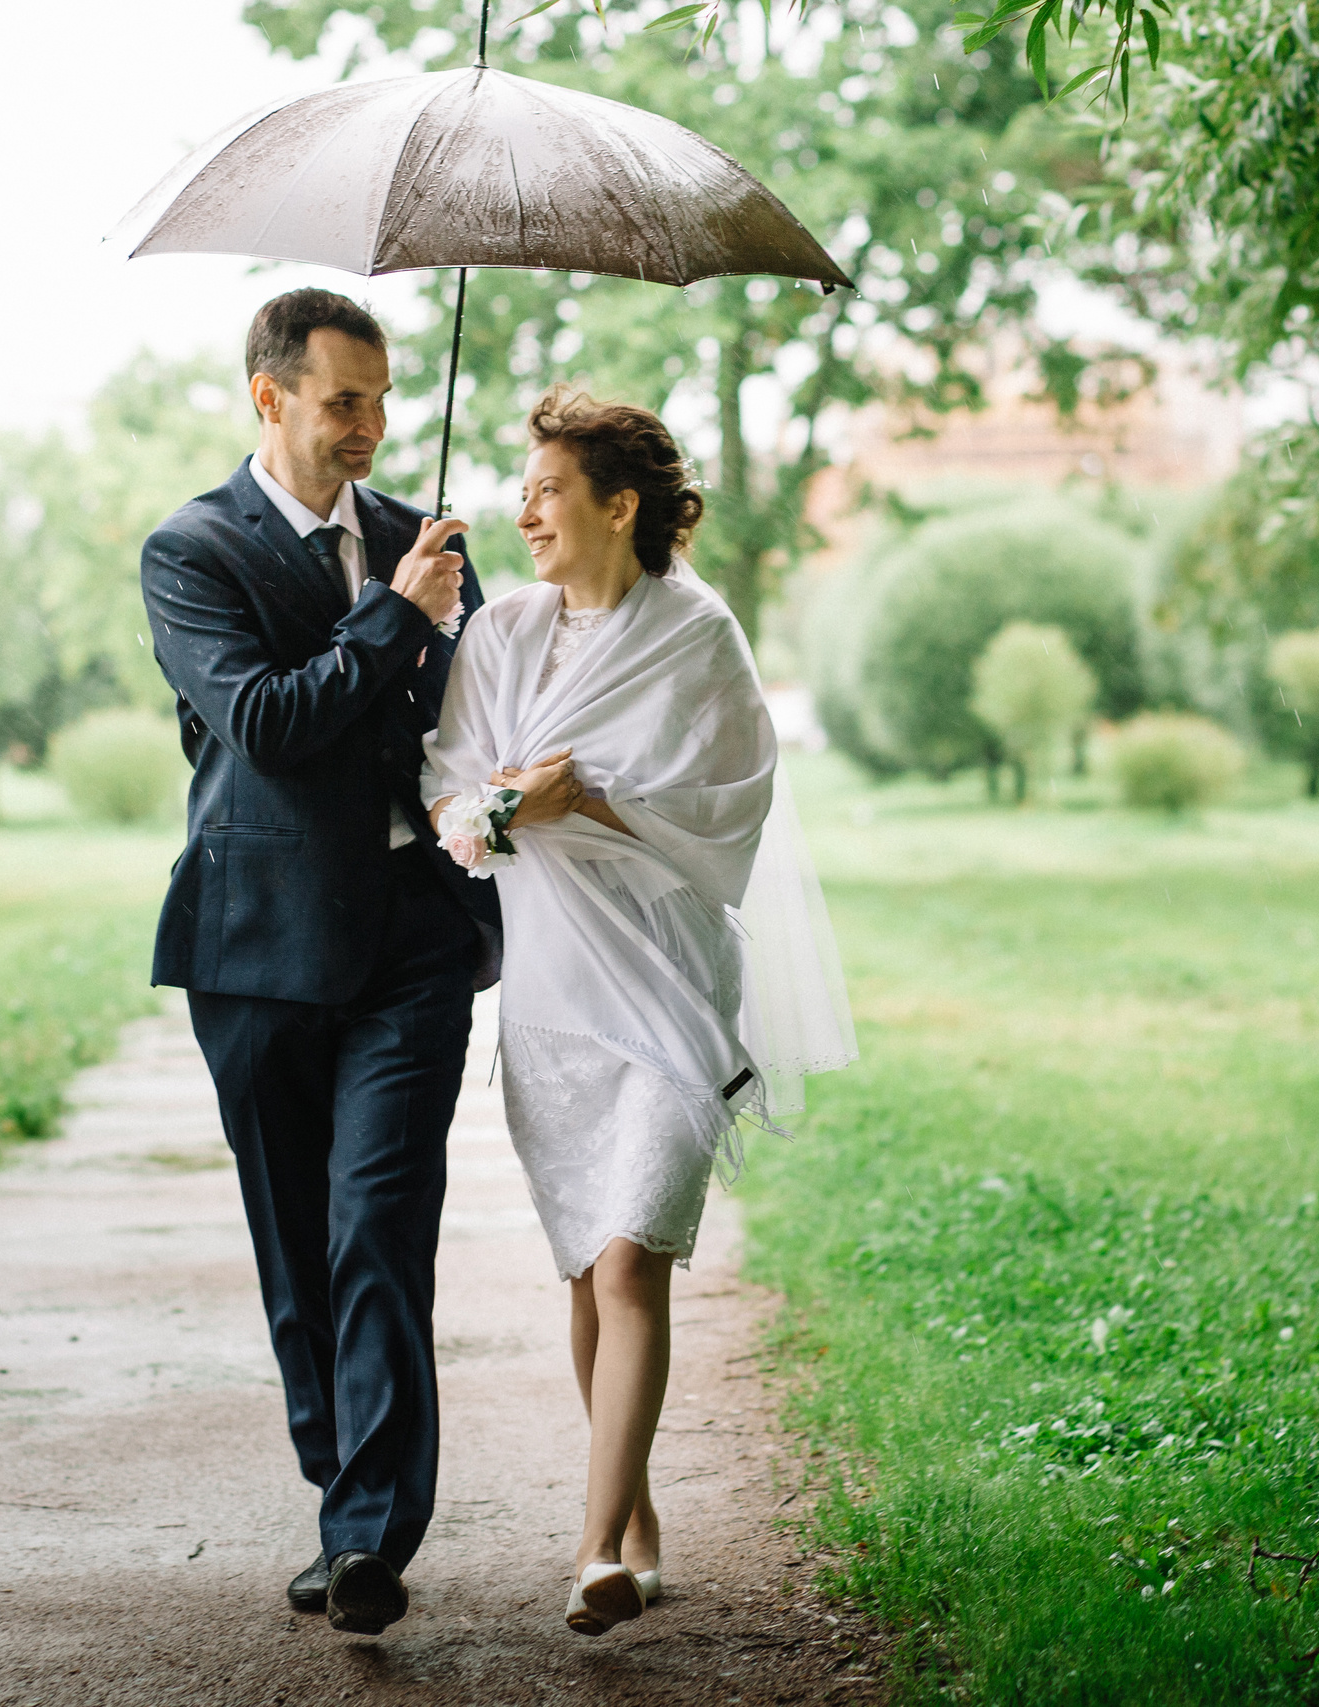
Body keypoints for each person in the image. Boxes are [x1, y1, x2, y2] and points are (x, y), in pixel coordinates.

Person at [420, 388, 856, 1636]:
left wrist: (591, 802)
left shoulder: (698, 635)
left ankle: (593, 1547)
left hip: (664, 984)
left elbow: (730, 809)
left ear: (620, 507)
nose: (524, 514)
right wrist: (510, 809)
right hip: (555, 993)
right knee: (584, 1266)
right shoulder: (500, 633)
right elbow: (450, 798)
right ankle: (638, 1520)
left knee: (629, 1260)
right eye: (522, 491)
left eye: (548, 492)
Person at [140, 288, 498, 1637]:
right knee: (298, 1242)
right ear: (269, 394)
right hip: (257, 946)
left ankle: (366, 1538)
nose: (371, 426)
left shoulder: (425, 540)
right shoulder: (192, 552)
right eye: (345, 399)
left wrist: (451, 627)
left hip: (412, 938)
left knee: (378, 1225)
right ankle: (337, 1487)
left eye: (383, 399)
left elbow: (478, 717)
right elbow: (267, 724)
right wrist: (396, 619)